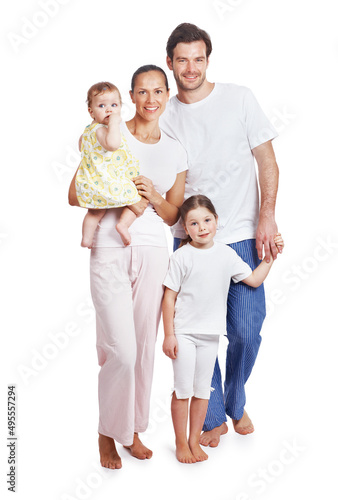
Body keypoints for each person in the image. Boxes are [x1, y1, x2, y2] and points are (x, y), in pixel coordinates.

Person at [160, 23, 280, 445]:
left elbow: (266, 159)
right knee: (195, 330)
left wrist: (267, 215)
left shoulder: (239, 98)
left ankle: (234, 399)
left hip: (243, 232)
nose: (190, 68)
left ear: (208, 59)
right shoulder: (166, 113)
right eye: (182, 60)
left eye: (198, 59)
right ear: (170, 63)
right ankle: (212, 416)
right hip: (189, 237)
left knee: (246, 331)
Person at [68, 65, 188, 469]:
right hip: (109, 241)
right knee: (120, 348)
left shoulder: (175, 148)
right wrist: (114, 192)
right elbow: (74, 192)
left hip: (155, 246)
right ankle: (107, 433)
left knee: (143, 349)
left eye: (158, 91)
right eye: (142, 92)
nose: (150, 100)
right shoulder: (109, 133)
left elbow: (174, 215)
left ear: (167, 95)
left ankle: (133, 430)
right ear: (131, 97)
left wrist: (152, 193)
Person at [162, 195, 284, 464]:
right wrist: (169, 334)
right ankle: (181, 443)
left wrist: (270, 257)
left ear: (217, 221)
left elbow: (252, 280)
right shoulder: (181, 256)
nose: (202, 227)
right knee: (183, 390)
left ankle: (194, 440)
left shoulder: (227, 255)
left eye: (207, 220)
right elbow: (169, 297)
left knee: (203, 391)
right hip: (183, 333)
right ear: (185, 227)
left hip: (209, 336)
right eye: (193, 223)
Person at [76, 81, 145, 248]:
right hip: (109, 181)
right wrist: (114, 123)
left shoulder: (87, 131)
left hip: (94, 182)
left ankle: (86, 238)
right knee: (138, 199)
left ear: (120, 107)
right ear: (91, 112)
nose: (109, 110)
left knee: (95, 211)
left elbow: (82, 148)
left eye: (114, 105)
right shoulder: (101, 130)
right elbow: (113, 145)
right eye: (102, 105)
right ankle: (123, 224)